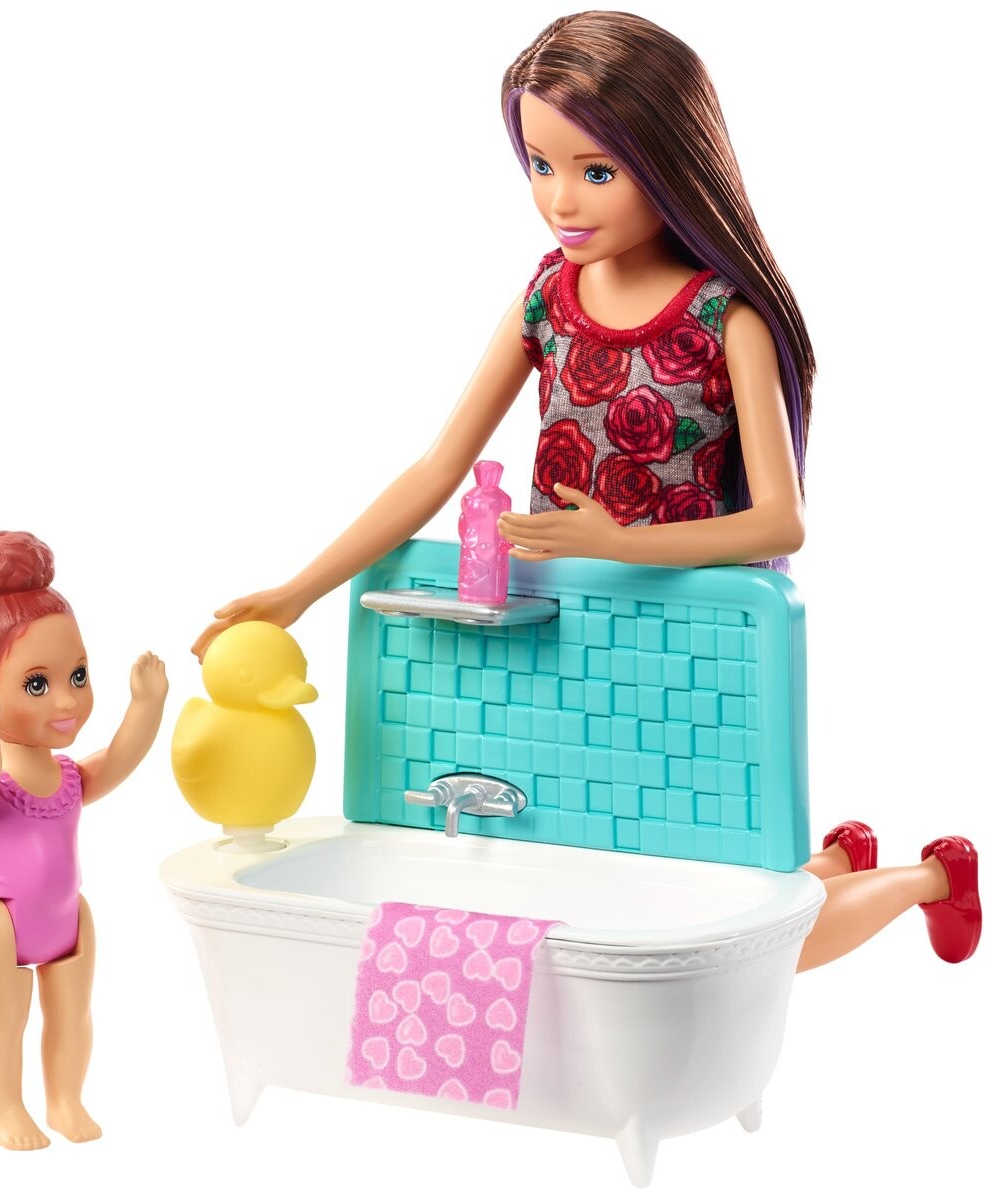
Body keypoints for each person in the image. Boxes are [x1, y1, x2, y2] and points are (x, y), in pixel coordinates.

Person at [191, 13, 979, 969]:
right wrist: (299, 591)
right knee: (599, 879)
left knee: (732, 941)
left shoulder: (725, 318)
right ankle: (835, 861)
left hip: (691, 637)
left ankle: (933, 877)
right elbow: (438, 469)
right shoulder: (546, 299)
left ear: (670, 161)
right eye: (539, 164)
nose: (560, 199)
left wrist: (618, 543)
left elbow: (782, 522)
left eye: (596, 170)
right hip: (561, 633)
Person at [0, 530, 168, 1149]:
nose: (68, 699)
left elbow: (116, 761)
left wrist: (146, 706)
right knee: (5, 1018)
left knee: (73, 1014)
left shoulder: (68, 776)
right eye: (37, 684)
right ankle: (3, 1109)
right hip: (1, 922)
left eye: (78, 674)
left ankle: (65, 1099)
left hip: (70, 915)